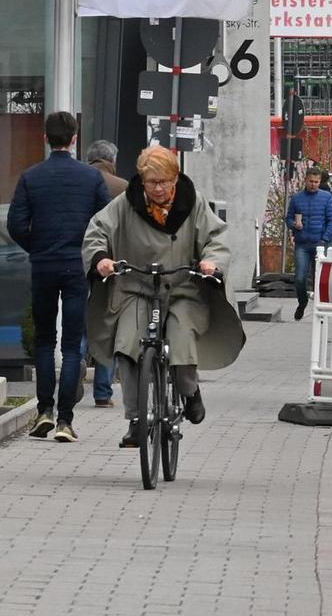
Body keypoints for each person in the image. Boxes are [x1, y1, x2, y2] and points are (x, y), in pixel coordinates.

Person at [85, 146, 244, 449]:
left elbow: (215, 238)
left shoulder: (192, 203)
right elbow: (98, 230)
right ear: (142, 180)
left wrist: (211, 261)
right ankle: (136, 420)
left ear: (175, 179)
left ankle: (189, 391)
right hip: (136, 286)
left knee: (182, 340)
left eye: (164, 182)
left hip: (183, 288)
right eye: (151, 182)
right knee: (127, 346)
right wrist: (100, 258)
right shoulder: (125, 204)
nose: (158, 189)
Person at [6, 112, 110, 442]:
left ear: (46, 138)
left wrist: (37, 247)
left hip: (44, 266)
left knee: (44, 340)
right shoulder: (91, 178)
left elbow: (16, 224)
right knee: (72, 346)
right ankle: (65, 420)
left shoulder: (31, 176)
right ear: (75, 138)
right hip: (78, 267)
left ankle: (44, 412)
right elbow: (105, 222)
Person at [83, 141, 127, 409]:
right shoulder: (122, 187)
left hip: (79, 262)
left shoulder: (76, 182)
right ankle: (102, 392)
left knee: (81, 320)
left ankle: (75, 366)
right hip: (111, 265)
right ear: (112, 159)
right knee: (108, 324)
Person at [286, 167, 332, 321]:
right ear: (306, 180)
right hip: (302, 243)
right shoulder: (296, 198)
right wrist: (294, 225)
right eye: (311, 181)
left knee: (319, 279)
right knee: (300, 278)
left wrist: (325, 239)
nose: (314, 184)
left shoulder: (326, 197)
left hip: (320, 243)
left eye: (316, 182)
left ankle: (320, 310)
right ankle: (302, 302)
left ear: (320, 181)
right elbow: (288, 218)